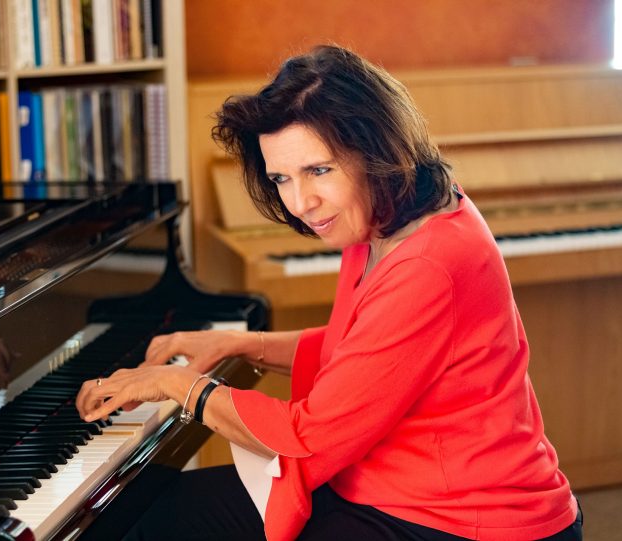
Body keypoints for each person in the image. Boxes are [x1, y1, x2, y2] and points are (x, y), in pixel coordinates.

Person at [75, 45, 582, 541]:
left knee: (156, 523)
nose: (300, 203)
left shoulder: (426, 261)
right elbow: (368, 354)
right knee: (155, 512)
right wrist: (240, 344)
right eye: (281, 178)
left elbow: (310, 436)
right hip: (391, 487)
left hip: (462, 517)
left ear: (376, 152)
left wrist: (177, 385)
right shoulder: (383, 219)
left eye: (318, 171)